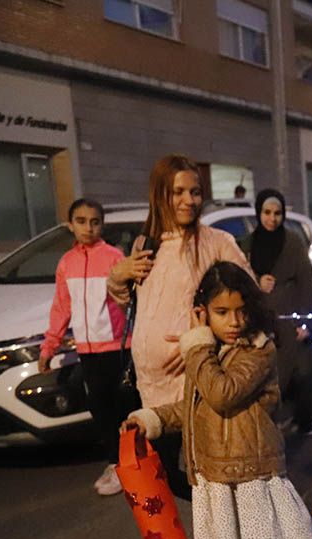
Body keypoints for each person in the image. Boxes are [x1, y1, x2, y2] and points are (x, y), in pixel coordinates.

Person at [126, 262, 312, 539]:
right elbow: (194, 406)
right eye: (221, 312)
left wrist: (196, 346)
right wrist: (152, 419)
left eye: (240, 310)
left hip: (250, 468)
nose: (234, 321)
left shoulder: (257, 349)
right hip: (214, 473)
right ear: (203, 312)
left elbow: (222, 393)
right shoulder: (207, 350)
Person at [107, 154, 252, 501]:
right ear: (160, 195)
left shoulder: (217, 243)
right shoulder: (146, 244)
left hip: (194, 382)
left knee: (207, 479)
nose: (189, 200)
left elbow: (248, 302)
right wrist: (119, 276)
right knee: (171, 476)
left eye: (196, 192)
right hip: (150, 383)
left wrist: (199, 342)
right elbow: (138, 306)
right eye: (179, 192)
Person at [40, 198, 131, 495]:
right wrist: (48, 346)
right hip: (88, 349)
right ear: (70, 225)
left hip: (117, 346)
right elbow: (61, 308)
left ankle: (131, 463)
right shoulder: (67, 263)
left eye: (94, 222)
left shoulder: (115, 257)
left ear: (101, 225)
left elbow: (129, 301)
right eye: (81, 221)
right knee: (100, 407)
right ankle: (116, 462)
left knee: (124, 405)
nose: (88, 228)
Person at [249, 188, 312, 436]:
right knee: (269, 374)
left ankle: (304, 421)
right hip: (264, 319)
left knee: (300, 372)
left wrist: (306, 322)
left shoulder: (292, 241)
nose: (272, 218)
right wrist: (256, 281)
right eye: (267, 212)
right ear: (259, 213)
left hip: (290, 316)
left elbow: (307, 282)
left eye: (277, 213)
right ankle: (271, 424)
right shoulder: (251, 242)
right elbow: (240, 278)